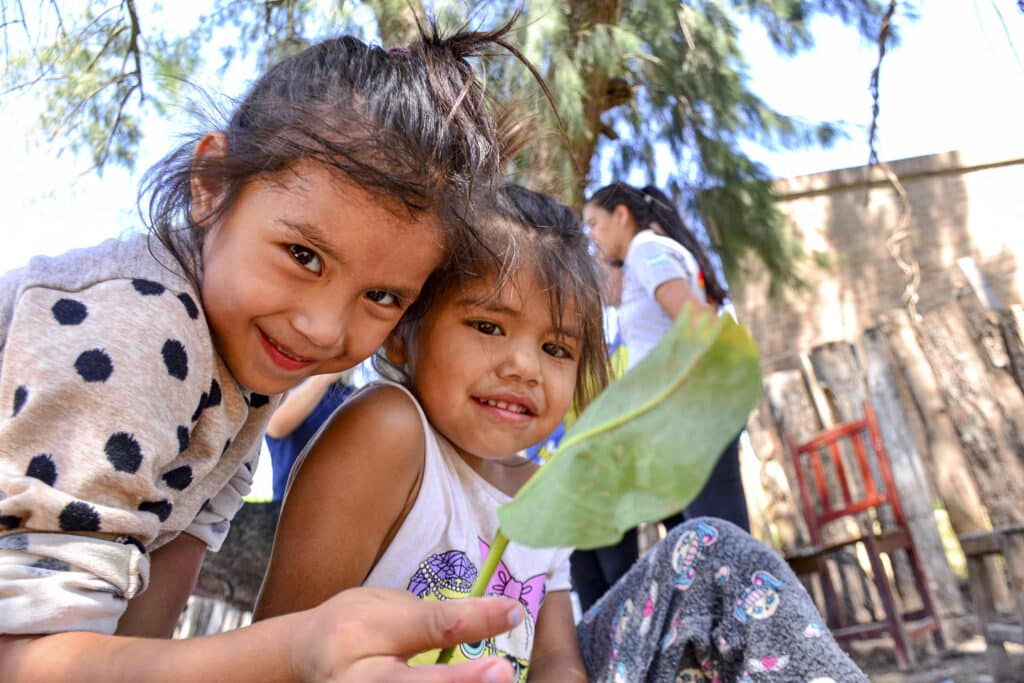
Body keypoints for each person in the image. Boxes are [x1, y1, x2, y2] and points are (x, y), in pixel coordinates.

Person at [0, 22, 534, 683]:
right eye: (303, 255)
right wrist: (296, 650)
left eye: (383, 295)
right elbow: (22, 660)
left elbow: (146, 623)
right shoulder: (141, 332)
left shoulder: (249, 372)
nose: (321, 327)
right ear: (211, 185)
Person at [256, 185, 867, 682]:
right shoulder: (388, 429)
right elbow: (279, 649)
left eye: (556, 347)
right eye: (488, 325)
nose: (525, 366)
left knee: (710, 552)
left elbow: (553, 657)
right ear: (400, 335)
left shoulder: (542, 488)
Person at [571, 181, 752, 612]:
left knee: (721, 538)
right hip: (673, 425)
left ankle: (758, 639)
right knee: (693, 539)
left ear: (622, 215)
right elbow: (615, 296)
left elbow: (698, 324)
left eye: (594, 223)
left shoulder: (646, 252)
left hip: (691, 416)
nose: (591, 235)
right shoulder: (640, 259)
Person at [265, 371, 357, 502]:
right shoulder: (289, 387)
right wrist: (326, 376)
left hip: (342, 503)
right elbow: (275, 425)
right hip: (292, 504)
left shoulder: (350, 393)